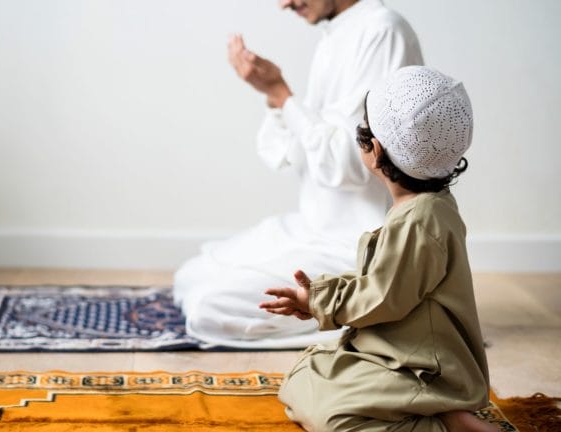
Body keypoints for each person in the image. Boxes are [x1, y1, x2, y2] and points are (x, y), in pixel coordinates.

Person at [173, 0, 423, 348]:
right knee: (190, 277)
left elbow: (353, 165)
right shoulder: (335, 35)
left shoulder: (382, 31)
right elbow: (299, 150)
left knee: (209, 307)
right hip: (312, 228)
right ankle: (339, 309)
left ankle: (369, 312)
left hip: (356, 247)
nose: (285, 4)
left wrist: (282, 94)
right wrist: (276, 99)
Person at [260, 66, 496, 431]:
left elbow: (383, 296)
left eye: (362, 133)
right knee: (307, 373)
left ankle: (446, 422)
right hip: (397, 351)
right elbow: (386, 280)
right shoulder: (429, 205)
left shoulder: (418, 221)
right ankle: (441, 411)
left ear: (375, 150)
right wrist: (321, 294)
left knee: (335, 417)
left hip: (425, 368)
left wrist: (318, 302)